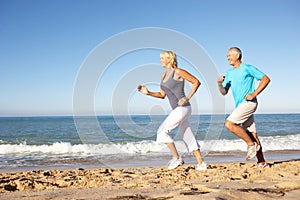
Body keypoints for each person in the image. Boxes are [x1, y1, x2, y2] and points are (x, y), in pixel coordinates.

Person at [138, 51, 207, 170]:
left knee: (162, 132)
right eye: (160, 58)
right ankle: (201, 163)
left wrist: (187, 97)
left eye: (162, 58)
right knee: (187, 135)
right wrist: (148, 92)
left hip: (183, 108)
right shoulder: (163, 76)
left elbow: (196, 82)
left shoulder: (178, 71)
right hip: (178, 109)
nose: (160, 60)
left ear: (170, 59)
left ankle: (177, 158)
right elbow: (162, 94)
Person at [217, 47, 271, 168]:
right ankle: (262, 162)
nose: (227, 58)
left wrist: (254, 93)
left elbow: (265, 79)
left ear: (237, 55)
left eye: (229, 55)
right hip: (240, 106)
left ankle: (250, 145)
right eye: (227, 56)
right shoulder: (229, 73)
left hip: (249, 103)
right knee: (252, 134)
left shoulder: (247, 68)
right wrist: (219, 83)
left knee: (229, 124)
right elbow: (224, 92)